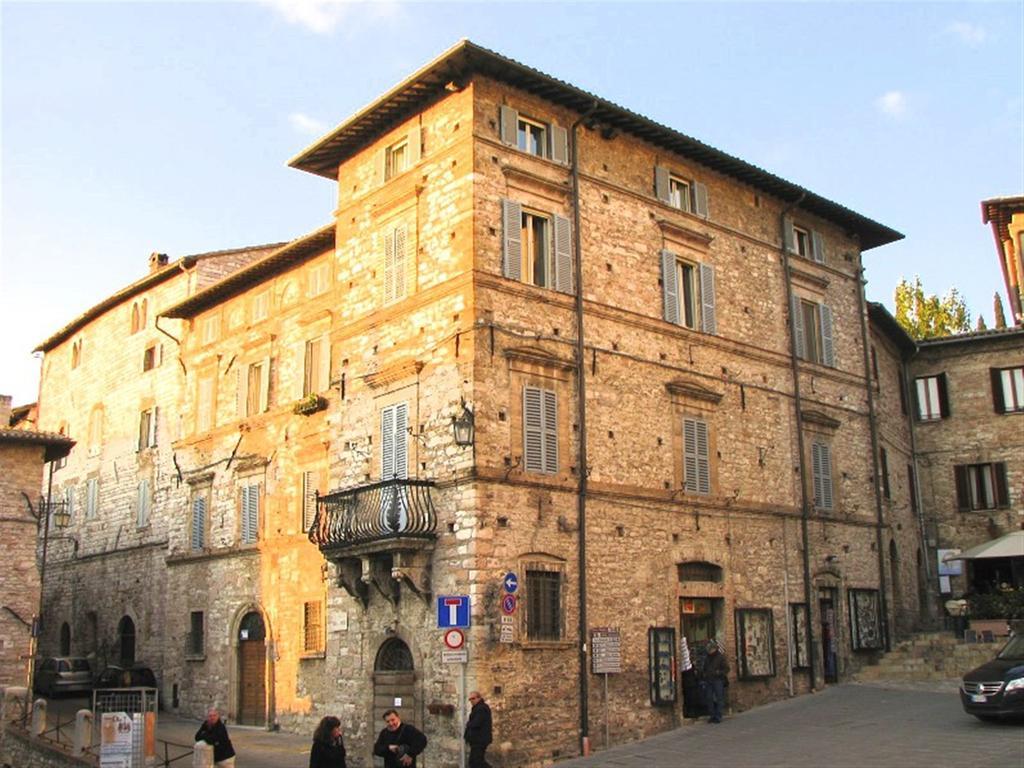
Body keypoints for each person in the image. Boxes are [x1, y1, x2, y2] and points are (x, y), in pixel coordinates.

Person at [464, 691, 493, 768]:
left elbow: (476, 723)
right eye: (470, 699)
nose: (471, 701)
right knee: (475, 761)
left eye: (473, 698)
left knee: (477, 762)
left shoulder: (481, 708)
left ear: (479, 698)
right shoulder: (478, 708)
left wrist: (468, 724)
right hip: (477, 740)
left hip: (479, 739)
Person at [703, 639, 729, 724]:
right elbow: (704, 668)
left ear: (714, 649)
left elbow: (727, 669)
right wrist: (704, 674)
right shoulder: (707, 658)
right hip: (709, 680)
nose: (709, 651)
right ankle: (712, 715)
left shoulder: (720, 657)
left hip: (718, 680)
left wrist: (719, 672)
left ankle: (718, 716)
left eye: (710, 649)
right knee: (709, 698)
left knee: (719, 697)